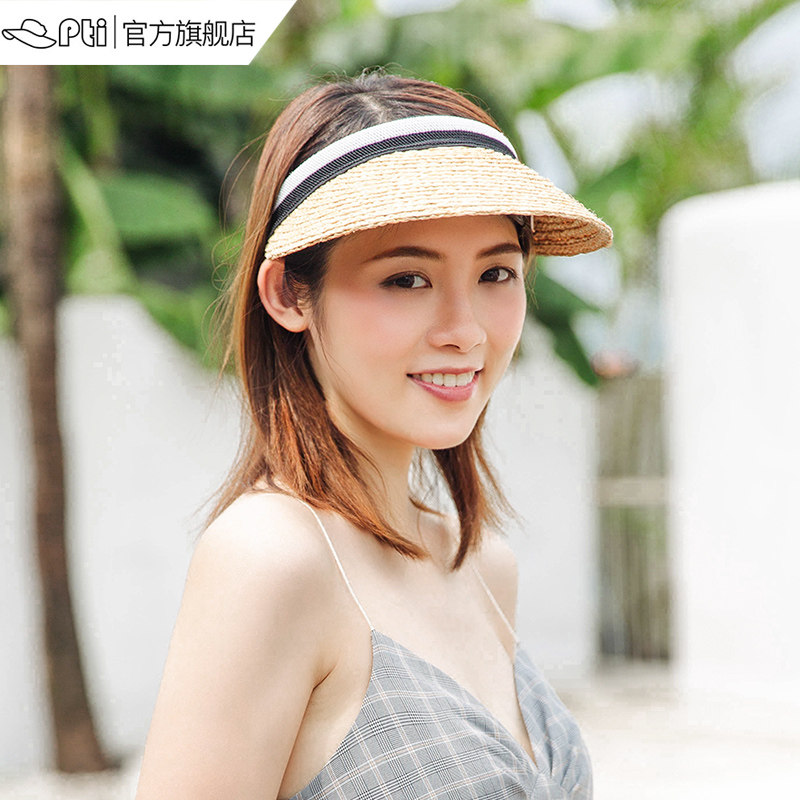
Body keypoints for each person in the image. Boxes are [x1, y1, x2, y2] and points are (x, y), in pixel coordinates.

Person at [135, 71, 612, 800]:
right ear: (289, 293)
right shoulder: (273, 558)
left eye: (496, 273)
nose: (464, 330)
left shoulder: (483, 565)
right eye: (407, 280)